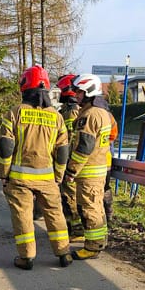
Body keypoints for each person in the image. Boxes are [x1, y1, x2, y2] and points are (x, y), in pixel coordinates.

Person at [0, 65, 72, 270]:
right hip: (48, 179)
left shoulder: (15, 113)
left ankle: (26, 257)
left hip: (19, 178)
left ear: (24, 87)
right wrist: (58, 176)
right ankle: (64, 252)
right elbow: (63, 150)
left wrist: (3, 175)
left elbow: (6, 147)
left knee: (23, 215)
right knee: (55, 214)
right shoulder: (56, 117)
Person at [64, 73, 114, 260]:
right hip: (98, 169)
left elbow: (84, 147)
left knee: (89, 208)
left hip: (89, 172)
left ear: (89, 92)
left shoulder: (90, 115)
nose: (75, 95)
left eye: (79, 92)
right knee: (96, 207)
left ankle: (93, 246)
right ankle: (100, 240)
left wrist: (71, 170)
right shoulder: (102, 113)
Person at [55, 74, 83, 240]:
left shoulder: (72, 111)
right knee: (66, 195)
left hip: (70, 160)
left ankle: (76, 229)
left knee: (69, 195)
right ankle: (72, 227)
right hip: (67, 159)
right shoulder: (66, 110)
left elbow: (72, 137)